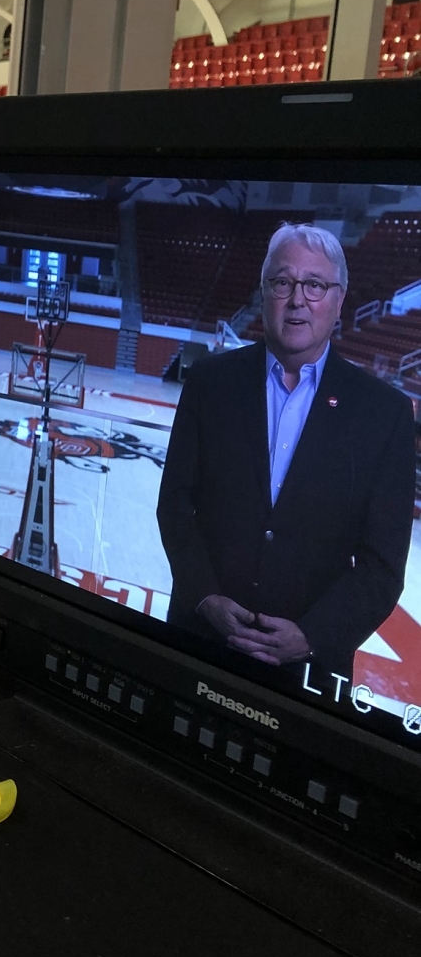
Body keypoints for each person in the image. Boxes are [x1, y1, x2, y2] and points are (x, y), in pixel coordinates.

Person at [157, 223, 415, 682]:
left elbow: (381, 566)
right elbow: (174, 505)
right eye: (283, 282)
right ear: (264, 292)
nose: (298, 300)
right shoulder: (208, 383)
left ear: (338, 300)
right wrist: (205, 598)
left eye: (315, 285)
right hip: (199, 642)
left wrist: (312, 635)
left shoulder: (385, 415)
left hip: (309, 671)